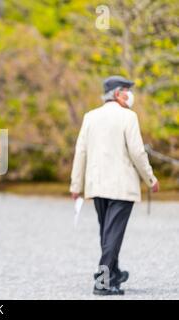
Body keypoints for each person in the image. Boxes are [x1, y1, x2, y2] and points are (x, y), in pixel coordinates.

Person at [70, 75, 159, 296]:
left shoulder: (90, 117)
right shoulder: (128, 117)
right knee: (113, 234)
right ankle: (102, 282)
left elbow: (81, 152)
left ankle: (114, 273)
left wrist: (76, 185)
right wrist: (150, 179)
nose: (130, 95)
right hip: (121, 187)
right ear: (118, 93)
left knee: (107, 233)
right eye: (127, 90)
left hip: (96, 186)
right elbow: (137, 152)